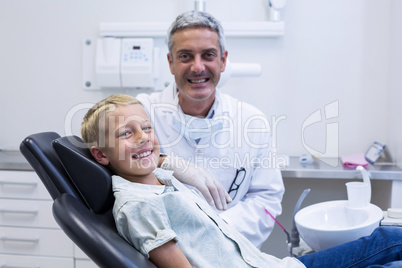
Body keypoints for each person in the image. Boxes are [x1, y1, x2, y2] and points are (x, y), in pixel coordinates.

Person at [81, 94, 402, 268]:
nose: (142, 139)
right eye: (126, 133)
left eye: (147, 129)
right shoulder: (138, 205)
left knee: (380, 251)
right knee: (385, 241)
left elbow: (148, 160)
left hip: (267, 262)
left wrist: (171, 162)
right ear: (100, 155)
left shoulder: (159, 179)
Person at [136, 10, 284, 248]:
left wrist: (215, 232)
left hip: (229, 250)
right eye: (185, 56)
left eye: (208, 55)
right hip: (159, 252)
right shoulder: (143, 111)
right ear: (171, 63)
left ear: (223, 61)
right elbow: (107, 154)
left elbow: (266, 198)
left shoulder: (252, 121)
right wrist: (164, 161)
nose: (197, 67)